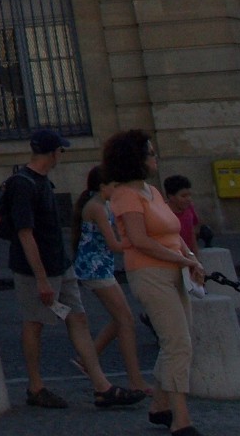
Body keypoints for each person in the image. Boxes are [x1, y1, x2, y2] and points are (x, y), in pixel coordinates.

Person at [0, 129, 143, 410]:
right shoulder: (24, 184)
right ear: (53, 152)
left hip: (60, 265)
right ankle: (36, 386)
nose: (61, 155)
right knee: (35, 323)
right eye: (60, 150)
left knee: (78, 319)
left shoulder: (42, 182)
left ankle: (102, 387)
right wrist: (42, 280)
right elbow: (25, 234)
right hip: (35, 271)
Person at [106, 130, 205, 435]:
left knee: (179, 338)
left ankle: (160, 406)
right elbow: (139, 240)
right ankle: (181, 418)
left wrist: (190, 258)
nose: (155, 157)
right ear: (135, 159)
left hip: (173, 270)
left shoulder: (152, 191)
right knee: (178, 343)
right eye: (149, 153)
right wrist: (183, 260)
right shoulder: (125, 195)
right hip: (149, 273)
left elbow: (173, 234)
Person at [72, 166, 148, 393]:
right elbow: (113, 243)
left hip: (100, 266)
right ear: (102, 187)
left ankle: (88, 359)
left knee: (121, 318)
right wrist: (139, 243)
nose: (117, 190)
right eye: (114, 186)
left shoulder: (102, 205)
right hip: (95, 269)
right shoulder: (96, 207)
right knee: (125, 319)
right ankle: (135, 380)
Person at [162, 175, 201, 253]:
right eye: (183, 196)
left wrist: (195, 253)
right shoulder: (162, 212)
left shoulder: (189, 208)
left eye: (189, 195)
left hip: (189, 253)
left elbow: (192, 231)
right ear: (171, 197)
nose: (188, 199)